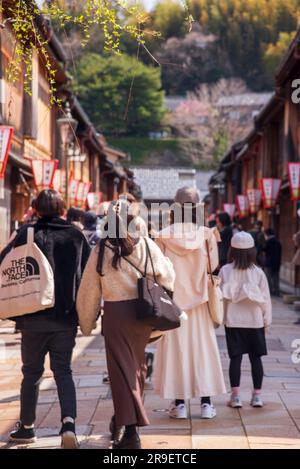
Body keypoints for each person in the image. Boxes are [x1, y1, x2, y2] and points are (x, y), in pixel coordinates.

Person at [76, 207, 175, 449]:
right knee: (137, 368)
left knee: (121, 372)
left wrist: (86, 322)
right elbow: (168, 276)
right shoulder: (146, 245)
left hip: (116, 314)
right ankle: (122, 421)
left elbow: (89, 290)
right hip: (142, 313)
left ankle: (131, 432)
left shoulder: (101, 249)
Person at [1, 190, 91, 448]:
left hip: (32, 318)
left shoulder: (25, 234)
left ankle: (27, 427)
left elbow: (4, 266)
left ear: (36, 209)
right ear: (63, 209)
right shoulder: (75, 236)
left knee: (31, 372)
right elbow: (87, 277)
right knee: (63, 371)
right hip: (65, 318)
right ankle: (69, 424)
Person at [154, 187, 226, 420]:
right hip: (201, 302)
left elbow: (158, 270)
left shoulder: (163, 235)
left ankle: (180, 404)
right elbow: (213, 265)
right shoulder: (207, 235)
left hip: (173, 303)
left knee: (177, 351)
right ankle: (206, 404)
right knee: (202, 350)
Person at [219, 231, 272, 409]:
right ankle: (257, 396)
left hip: (233, 322)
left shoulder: (225, 271)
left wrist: (218, 318)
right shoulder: (258, 273)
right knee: (256, 359)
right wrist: (267, 321)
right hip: (254, 321)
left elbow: (219, 297)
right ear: (252, 252)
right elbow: (266, 301)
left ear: (232, 251)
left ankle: (235, 397)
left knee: (235, 359)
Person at [264, 228, 282, 297]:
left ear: (267, 234)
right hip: (277, 262)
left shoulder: (268, 242)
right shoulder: (278, 242)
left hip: (269, 263)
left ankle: (270, 291)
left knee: (268, 277)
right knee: (276, 278)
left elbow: (264, 249)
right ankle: (277, 292)